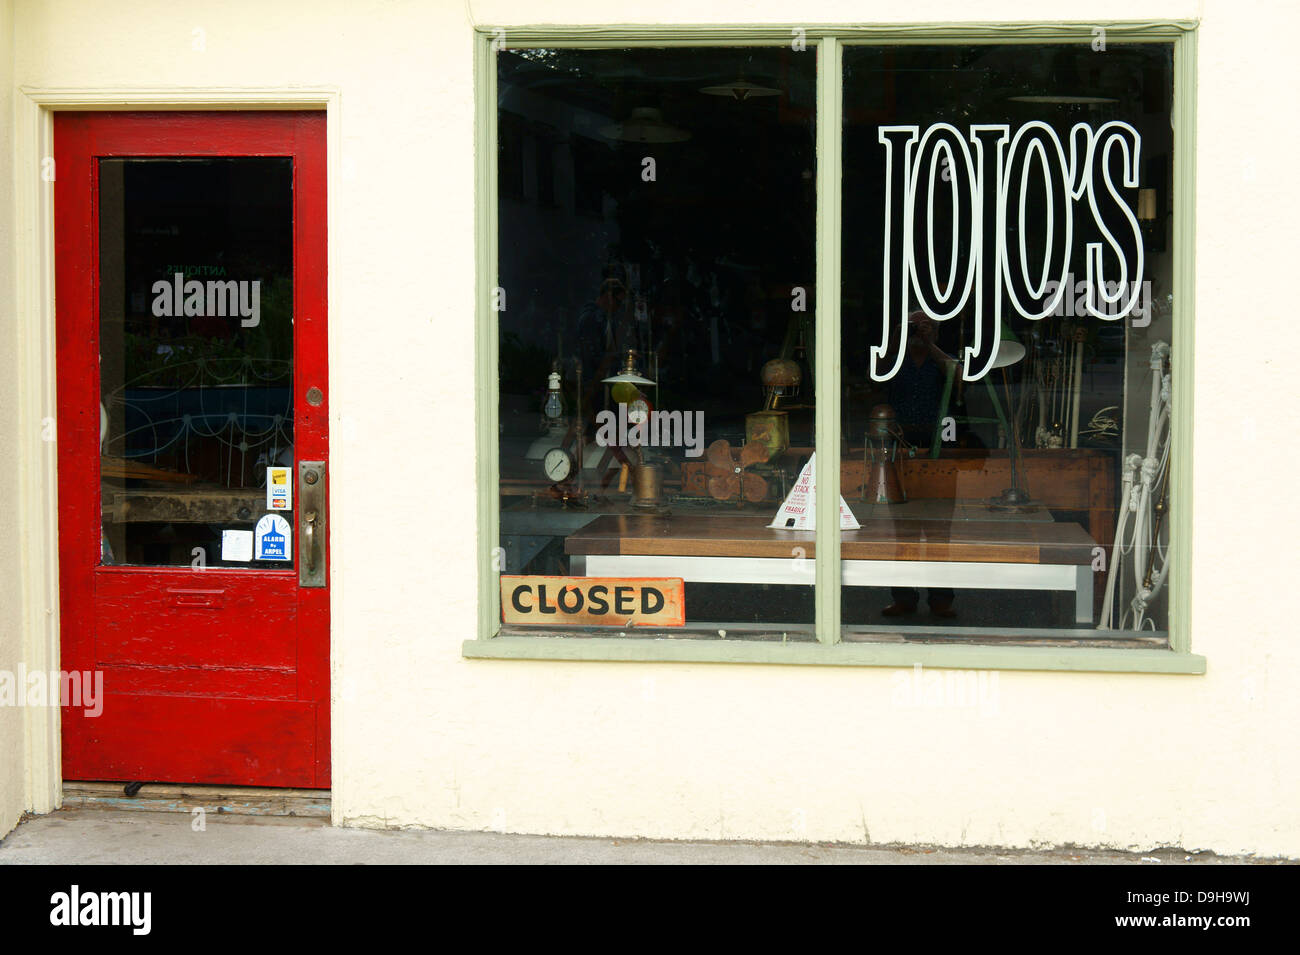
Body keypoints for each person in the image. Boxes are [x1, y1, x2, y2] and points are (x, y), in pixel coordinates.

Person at [884, 311, 958, 618]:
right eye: (914, 326)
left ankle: (941, 600)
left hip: (938, 452)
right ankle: (904, 598)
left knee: (940, 531)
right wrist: (898, 338)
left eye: (925, 327)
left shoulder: (941, 359)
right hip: (900, 450)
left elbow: (957, 375)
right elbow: (876, 372)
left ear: (937, 332)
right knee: (904, 531)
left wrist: (929, 343)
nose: (918, 332)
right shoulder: (895, 359)